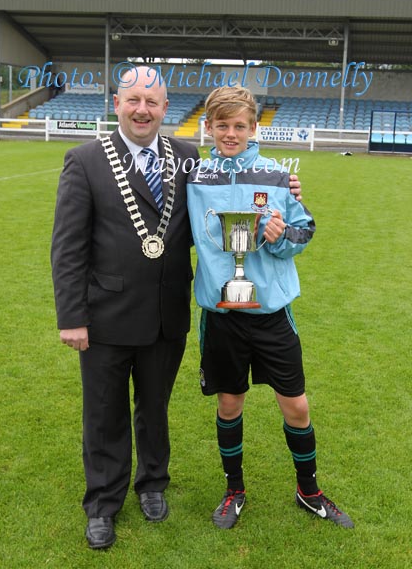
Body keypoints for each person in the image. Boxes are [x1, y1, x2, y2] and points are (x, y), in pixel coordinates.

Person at [51, 65, 302, 550]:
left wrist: (285, 193)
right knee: (103, 412)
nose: (142, 109)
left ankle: (152, 485)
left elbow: (232, 185)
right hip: (104, 315)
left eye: (153, 102)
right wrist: (72, 317)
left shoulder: (186, 158)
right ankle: (103, 503)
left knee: (155, 407)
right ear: (118, 104)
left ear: (166, 110)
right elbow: (67, 247)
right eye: (133, 100)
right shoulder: (83, 160)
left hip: (167, 314)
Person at [186, 85, 354, 531]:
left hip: (272, 316)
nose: (230, 133)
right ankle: (234, 490)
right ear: (209, 127)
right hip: (221, 317)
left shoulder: (277, 175)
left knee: (296, 406)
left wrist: (280, 241)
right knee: (229, 402)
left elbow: (306, 230)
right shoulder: (195, 179)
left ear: (254, 128)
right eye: (221, 125)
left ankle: (309, 490)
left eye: (239, 126)